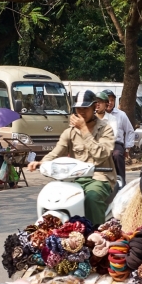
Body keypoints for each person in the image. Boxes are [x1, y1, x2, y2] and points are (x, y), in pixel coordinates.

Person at [27, 89, 115, 225]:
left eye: (85, 108)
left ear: (94, 107)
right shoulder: (69, 132)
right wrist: (41, 162)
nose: (81, 112)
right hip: (73, 179)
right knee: (53, 196)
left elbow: (101, 155)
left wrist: (84, 130)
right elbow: (56, 152)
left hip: (99, 178)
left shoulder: (106, 129)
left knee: (92, 197)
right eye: (78, 108)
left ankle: (96, 235)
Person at [101, 89, 135, 182]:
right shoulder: (97, 115)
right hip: (100, 143)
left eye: (112, 100)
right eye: (108, 100)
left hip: (116, 143)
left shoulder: (121, 115)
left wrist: (127, 148)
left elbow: (130, 131)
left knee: (117, 155)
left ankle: (121, 182)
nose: (110, 102)